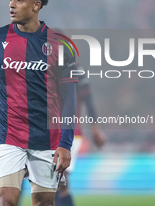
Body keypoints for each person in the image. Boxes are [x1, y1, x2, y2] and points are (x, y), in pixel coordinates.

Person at [0, 0, 78, 206]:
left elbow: (70, 98)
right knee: (6, 201)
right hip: (8, 137)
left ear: (36, 5)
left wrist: (66, 144)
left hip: (48, 139)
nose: (11, 4)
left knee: (44, 203)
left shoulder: (60, 44)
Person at [55, 69, 106, 206]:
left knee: (58, 179)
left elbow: (88, 101)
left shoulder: (76, 71)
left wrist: (95, 130)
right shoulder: (43, 65)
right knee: (57, 182)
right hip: (50, 132)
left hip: (71, 133)